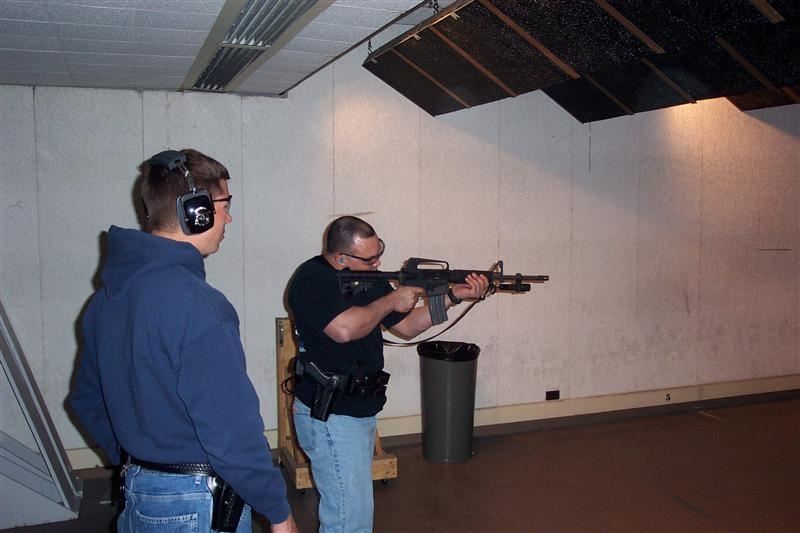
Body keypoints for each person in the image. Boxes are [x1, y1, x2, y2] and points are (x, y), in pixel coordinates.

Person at [70, 148, 297, 533]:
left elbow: (87, 400)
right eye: (225, 205)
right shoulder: (201, 306)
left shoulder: (105, 300)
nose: (229, 217)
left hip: (139, 491)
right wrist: (278, 512)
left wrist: (140, 460)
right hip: (196, 503)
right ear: (198, 212)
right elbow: (231, 432)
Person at [286, 216, 489, 532]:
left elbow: (407, 326)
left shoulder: (367, 278)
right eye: (369, 259)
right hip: (330, 414)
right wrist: (391, 299)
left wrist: (454, 297)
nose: (377, 263)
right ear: (341, 257)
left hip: (358, 409)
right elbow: (343, 329)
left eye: (378, 253)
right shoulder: (312, 279)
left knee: (353, 514)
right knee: (348, 520)